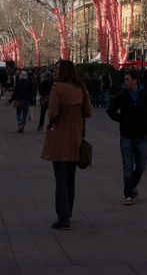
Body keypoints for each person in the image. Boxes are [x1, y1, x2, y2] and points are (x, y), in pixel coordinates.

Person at [41, 60, 91, 230]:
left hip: (60, 137)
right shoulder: (80, 88)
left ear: (64, 72)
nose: (54, 71)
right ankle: (68, 212)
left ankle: (63, 219)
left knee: (61, 180)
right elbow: (88, 111)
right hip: (75, 137)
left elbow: (53, 113)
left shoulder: (58, 88)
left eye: (57, 69)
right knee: (70, 178)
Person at [107, 69, 147, 205]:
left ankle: (132, 185)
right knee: (128, 166)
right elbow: (110, 110)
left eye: (128, 79)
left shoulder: (145, 95)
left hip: (141, 136)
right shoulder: (122, 95)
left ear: (135, 80)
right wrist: (122, 120)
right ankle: (128, 194)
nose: (126, 82)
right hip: (127, 136)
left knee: (141, 165)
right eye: (125, 79)